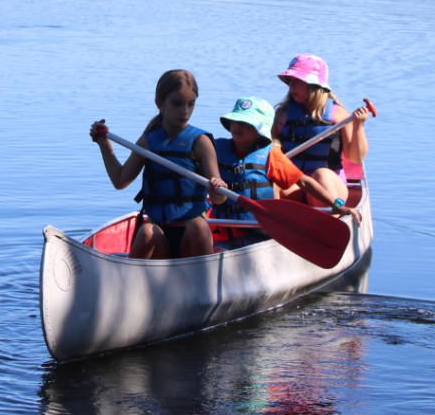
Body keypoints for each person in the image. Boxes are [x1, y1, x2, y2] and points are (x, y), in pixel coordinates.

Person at [89, 69, 219, 260]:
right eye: (177, 104)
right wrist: (103, 144)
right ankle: (130, 282)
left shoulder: (200, 142)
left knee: (198, 225)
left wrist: (217, 188)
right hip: (160, 236)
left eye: (191, 105)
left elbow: (218, 200)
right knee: (146, 231)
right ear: (160, 103)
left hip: (192, 240)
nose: (185, 111)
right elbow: (120, 181)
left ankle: (205, 280)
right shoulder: (148, 142)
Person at [208, 96, 360, 251]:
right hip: (223, 231)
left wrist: (339, 205)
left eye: (246, 123)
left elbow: (305, 182)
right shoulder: (215, 149)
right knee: (218, 252)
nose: (237, 126)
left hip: (260, 233)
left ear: (261, 129)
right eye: (235, 121)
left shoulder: (270, 155)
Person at [271, 54, 371, 209]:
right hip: (297, 184)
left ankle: (332, 221)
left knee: (321, 175)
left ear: (313, 85)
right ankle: (272, 226)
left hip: (330, 187)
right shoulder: (281, 115)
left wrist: (359, 126)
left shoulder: (338, 115)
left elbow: (356, 158)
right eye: (290, 81)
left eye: (297, 81)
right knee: (274, 180)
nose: (291, 86)